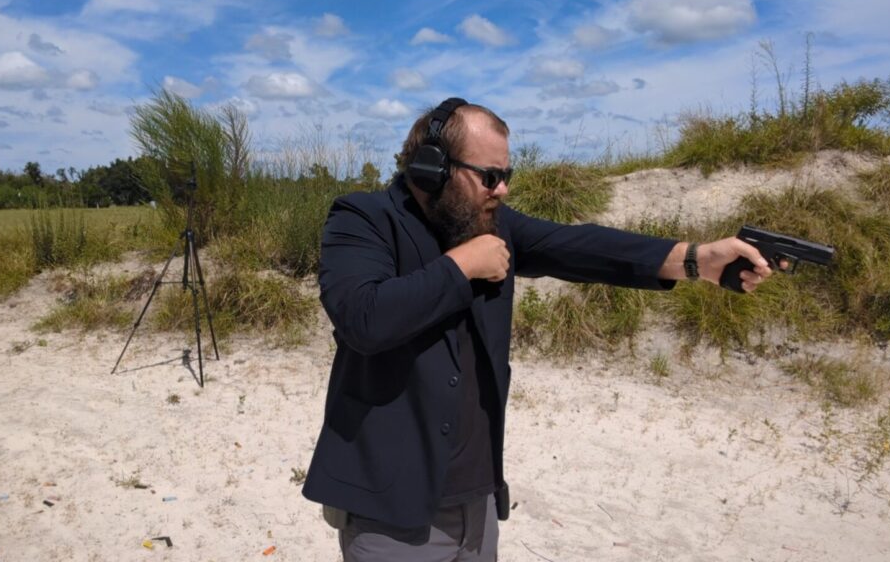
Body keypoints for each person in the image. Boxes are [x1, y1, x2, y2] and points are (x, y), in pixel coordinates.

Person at [302, 98, 777, 561]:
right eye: (489, 177)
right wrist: (461, 267)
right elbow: (363, 318)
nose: (502, 190)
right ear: (433, 168)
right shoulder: (363, 217)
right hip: (390, 514)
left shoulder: (491, 224)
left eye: (506, 175)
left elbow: (581, 246)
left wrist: (696, 261)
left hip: (479, 503)